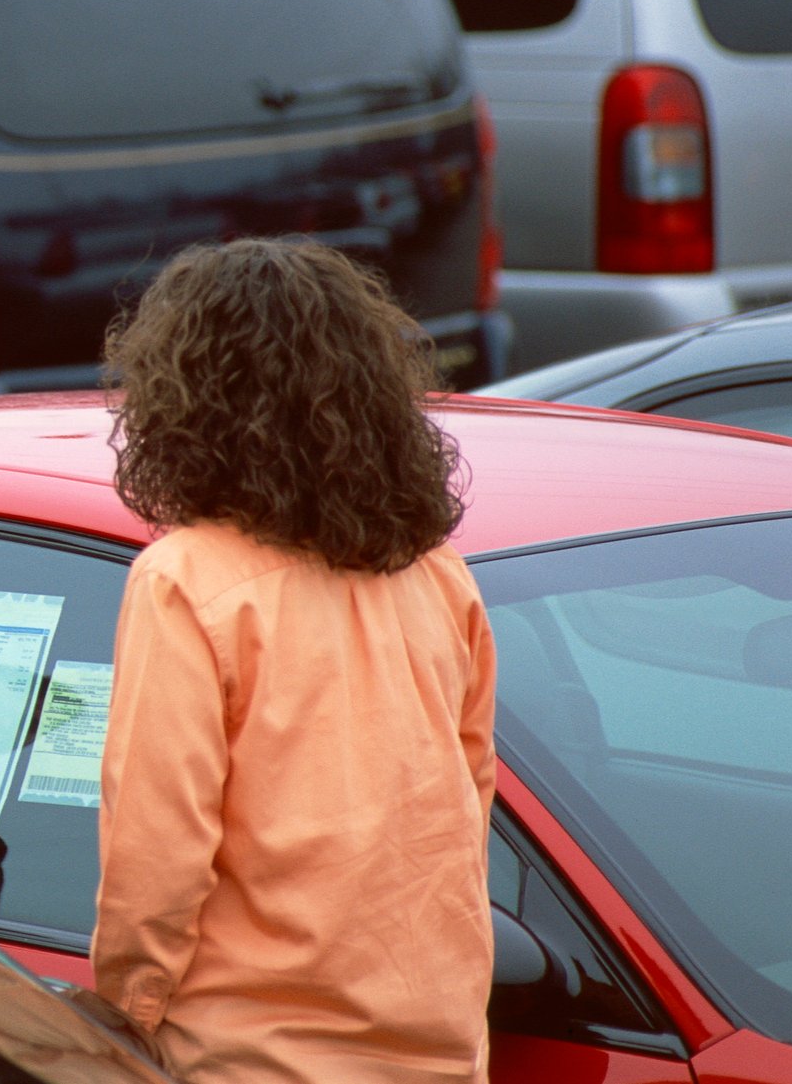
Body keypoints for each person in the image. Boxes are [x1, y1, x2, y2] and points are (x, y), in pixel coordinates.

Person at [89, 239, 497, 1083]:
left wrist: (123, 1019)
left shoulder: (184, 582)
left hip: (253, 1058)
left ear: (186, 399)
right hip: (441, 1047)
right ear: (372, 390)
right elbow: (465, 801)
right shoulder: (435, 570)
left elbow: (156, 861)